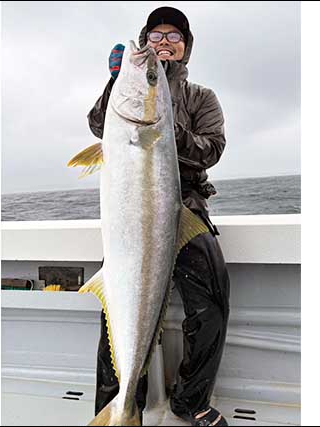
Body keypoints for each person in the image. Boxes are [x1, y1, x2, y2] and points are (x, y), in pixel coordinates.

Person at [87, 6, 230, 427]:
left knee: (213, 300)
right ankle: (113, 405)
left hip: (186, 206)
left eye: (174, 36)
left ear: (186, 48)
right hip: (134, 208)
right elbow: (99, 124)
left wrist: (161, 122)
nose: (163, 42)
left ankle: (190, 401)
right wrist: (119, 82)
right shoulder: (127, 87)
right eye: (155, 35)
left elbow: (212, 150)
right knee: (117, 302)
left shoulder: (202, 98)